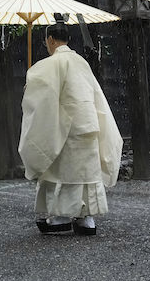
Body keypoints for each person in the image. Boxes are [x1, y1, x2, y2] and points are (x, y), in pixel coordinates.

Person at [19, 13, 122, 236]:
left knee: (62, 172)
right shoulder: (81, 62)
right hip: (88, 124)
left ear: (51, 40)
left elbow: (43, 99)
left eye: (46, 41)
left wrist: (29, 90)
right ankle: (86, 219)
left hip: (65, 128)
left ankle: (61, 217)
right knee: (84, 174)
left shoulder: (49, 64)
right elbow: (95, 94)